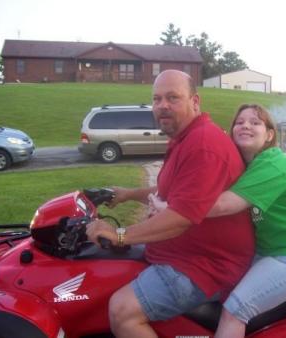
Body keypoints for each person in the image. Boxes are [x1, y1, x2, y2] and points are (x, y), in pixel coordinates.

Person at [86, 70, 255, 338]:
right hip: (182, 255)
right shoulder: (186, 137)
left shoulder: (203, 144)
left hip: (205, 267)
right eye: (157, 99)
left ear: (195, 102)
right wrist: (130, 194)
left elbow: (180, 217)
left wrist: (120, 235)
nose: (162, 105)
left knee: (122, 309)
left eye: (173, 98)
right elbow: (177, 191)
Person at [150, 104, 286, 338]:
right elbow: (195, 190)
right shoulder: (247, 165)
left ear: (269, 135)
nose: (245, 125)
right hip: (269, 248)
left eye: (255, 122)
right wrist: (135, 195)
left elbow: (222, 204)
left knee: (235, 311)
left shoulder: (275, 165)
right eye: (240, 122)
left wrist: (171, 209)